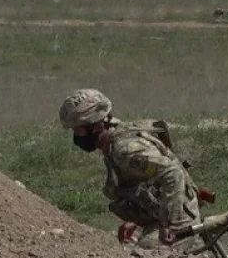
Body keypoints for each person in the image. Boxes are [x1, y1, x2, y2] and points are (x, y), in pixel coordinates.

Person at [58, 89, 203, 246]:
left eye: (78, 130)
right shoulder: (112, 145)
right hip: (160, 214)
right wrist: (134, 220)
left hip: (180, 217)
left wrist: (169, 226)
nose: (76, 136)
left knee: (147, 252)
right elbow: (143, 183)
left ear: (98, 127)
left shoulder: (125, 151)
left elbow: (172, 173)